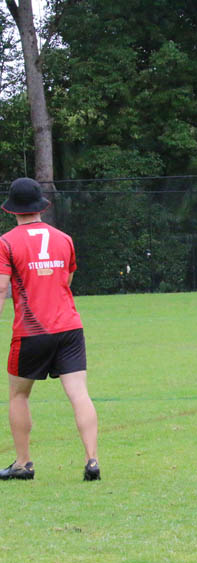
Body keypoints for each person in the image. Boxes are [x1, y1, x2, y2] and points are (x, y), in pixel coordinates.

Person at [0, 178, 99, 481]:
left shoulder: (6, 242)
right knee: (79, 394)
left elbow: (2, 289)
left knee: (18, 395)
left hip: (31, 332)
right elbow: (67, 280)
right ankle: (92, 460)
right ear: (41, 206)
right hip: (70, 327)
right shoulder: (64, 239)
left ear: (12, 209)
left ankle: (23, 464)